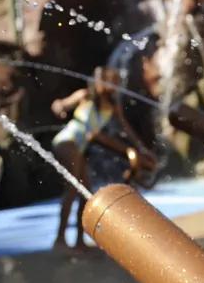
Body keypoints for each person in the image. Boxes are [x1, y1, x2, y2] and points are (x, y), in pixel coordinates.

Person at [50, 66, 154, 251]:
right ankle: (60, 240)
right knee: (73, 189)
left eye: (115, 81)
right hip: (67, 142)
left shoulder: (112, 106)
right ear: (99, 80)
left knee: (85, 193)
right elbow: (60, 104)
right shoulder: (84, 96)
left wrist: (141, 148)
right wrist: (60, 108)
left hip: (79, 148)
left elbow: (127, 129)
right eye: (109, 80)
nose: (113, 85)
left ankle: (80, 241)